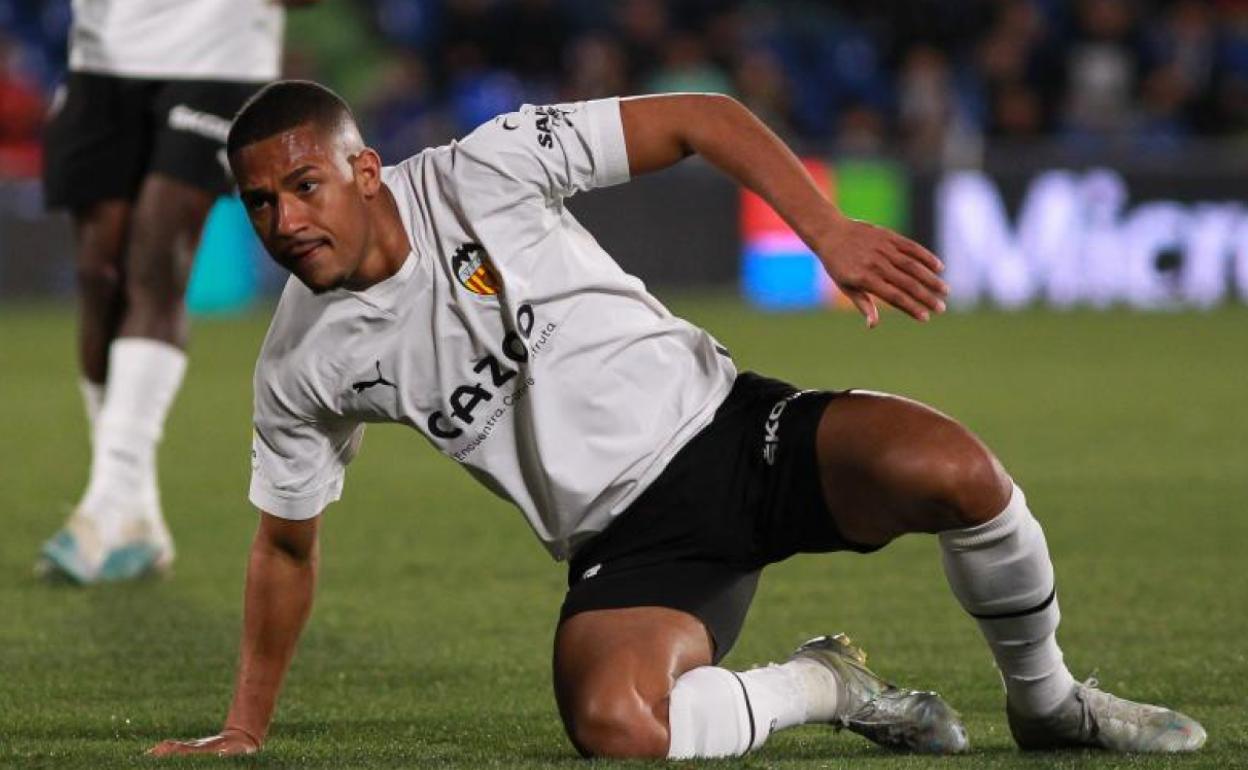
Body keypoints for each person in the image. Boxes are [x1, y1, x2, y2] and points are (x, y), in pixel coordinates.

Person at [149, 81, 1205, 759]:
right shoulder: (301, 360)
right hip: (632, 545)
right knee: (614, 724)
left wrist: (825, 227)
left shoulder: (488, 168)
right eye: (261, 204)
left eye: (303, 186)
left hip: (734, 432)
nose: (285, 221)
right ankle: (824, 683)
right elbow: (286, 544)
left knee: (959, 473)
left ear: (364, 170)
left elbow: (701, 115)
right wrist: (245, 726)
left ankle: (1049, 701)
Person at [37, 0, 321, 584]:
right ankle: (134, 515)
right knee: (100, 275)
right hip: (102, 52)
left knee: (158, 259)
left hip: (219, 54)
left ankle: (104, 506)